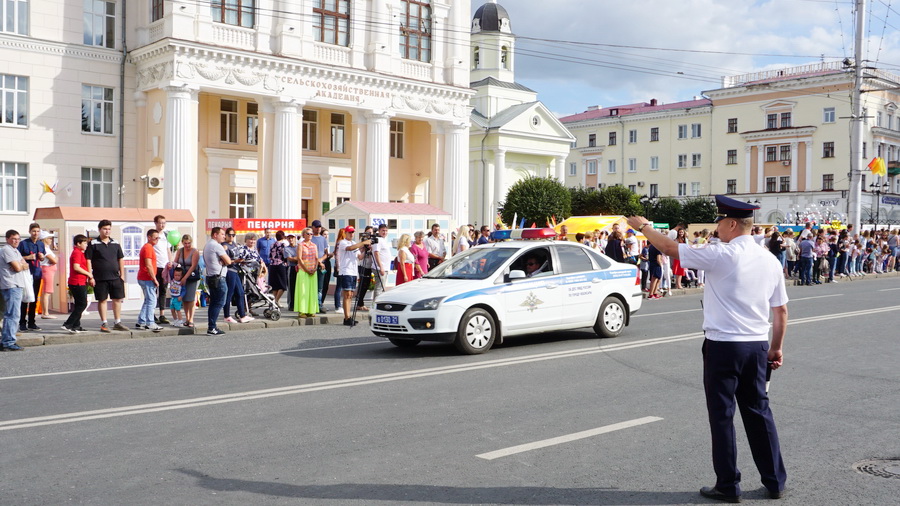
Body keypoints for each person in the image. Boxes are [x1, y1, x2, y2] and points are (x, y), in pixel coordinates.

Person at [627, 195, 788, 503]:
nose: (717, 229)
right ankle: (775, 481)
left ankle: (728, 485)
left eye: (719, 223)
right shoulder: (769, 259)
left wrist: (644, 226)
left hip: (724, 347)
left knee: (723, 416)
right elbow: (780, 312)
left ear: (730, 223)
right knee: (759, 413)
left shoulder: (721, 254)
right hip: (757, 346)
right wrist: (776, 349)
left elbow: (671, 248)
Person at [86, 220, 128, 333]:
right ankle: (104, 323)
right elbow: (88, 260)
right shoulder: (93, 243)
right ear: (99, 229)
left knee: (117, 299)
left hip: (115, 277)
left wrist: (122, 275)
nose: (107, 231)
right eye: (105, 229)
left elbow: (120, 259)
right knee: (102, 300)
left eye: (109, 229)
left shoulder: (115, 243)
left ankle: (117, 322)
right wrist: (91, 276)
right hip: (100, 278)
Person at [335, 226, 371, 326]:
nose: (351, 234)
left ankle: (349, 316)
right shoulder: (343, 242)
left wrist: (366, 250)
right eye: (349, 232)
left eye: (352, 232)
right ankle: (346, 317)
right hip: (346, 271)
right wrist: (363, 243)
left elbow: (359, 256)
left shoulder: (354, 243)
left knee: (351, 295)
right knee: (347, 294)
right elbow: (350, 249)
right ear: (345, 233)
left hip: (354, 271)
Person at [1, 230, 28, 351]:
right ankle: (8, 342)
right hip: (11, 285)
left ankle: (6, 340)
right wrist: (20, 265)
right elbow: (18, 267)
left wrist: (21, 265)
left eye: (18, 239)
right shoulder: (7, 250)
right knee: (12, 314)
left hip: (16, 285)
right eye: (13, 239)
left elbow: (25, 264)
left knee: (11, 314)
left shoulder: (15, 250)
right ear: (7, 239)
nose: (16, 241)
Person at [203, 227, 232, 336]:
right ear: (215, 235)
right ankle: (212, 327)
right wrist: (224, 258)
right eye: (222, 234)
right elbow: (228, 261)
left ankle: (212, 326)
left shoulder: (208, 245)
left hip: (211, 276)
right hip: (218, 278)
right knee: (219, 302)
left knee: (214, 303)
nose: (224, 236)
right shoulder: (216, 246)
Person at [17, 222, 45, 332]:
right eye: (34, 231)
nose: (36, 233)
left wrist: (42, 257)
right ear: (29, 232)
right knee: (25, 299)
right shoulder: (23, 243)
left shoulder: (41, 244)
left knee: (34, 299)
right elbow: (17, 257)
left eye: (38, 231)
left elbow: (42, 258)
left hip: (37, 273)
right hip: (26, 274)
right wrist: (28, 257)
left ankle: (32, 322)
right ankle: (22, 322)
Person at [62, 234, 91, 334]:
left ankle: (76, 326)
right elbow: (76, 267)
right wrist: (89, 274)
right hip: (77, 282)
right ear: (78, 243)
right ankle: (68, 324)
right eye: (85, 243)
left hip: (80, 281)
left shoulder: (79, 252)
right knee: (82, 304)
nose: (86, 245)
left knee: (79, 304)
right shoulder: (77, 253)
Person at [222, 227, 251, 324]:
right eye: (229, 235)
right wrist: (236, 261)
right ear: (225, 235)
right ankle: (226, 315)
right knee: (229, 294)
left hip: (236, 269)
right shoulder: (225, 246)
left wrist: (241, 261)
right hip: (229, 270)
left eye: (233, 235)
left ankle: (242, 315)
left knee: (240, 293)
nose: (231, 237)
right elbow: (225, 261)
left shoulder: (234, 244)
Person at [136, 229, 163, 332]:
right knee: (152, 300)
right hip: (147, 278)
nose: (157, 239)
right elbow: (148, 265)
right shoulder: (148, 248)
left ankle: (141, 321)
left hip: (144, 277)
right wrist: (154, 279)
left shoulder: (149, 247)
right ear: (149, 237)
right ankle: (150, 322)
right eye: (155, 237)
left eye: (158, 237)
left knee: (148, 300)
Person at [174, 234, 201, 328]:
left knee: (191, 298)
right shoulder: (180, 251)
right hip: (182, 276)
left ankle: (191, 319)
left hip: (192, 276)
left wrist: (185, 277)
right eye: (185, 243)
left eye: (189, 243)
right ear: (182, 243)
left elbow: (193, 266)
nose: (187, 245)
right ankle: (187, 318)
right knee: (185, 298)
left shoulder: (195, 251)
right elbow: (175, 262)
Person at [294, 228, 322, 318]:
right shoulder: (300, 245)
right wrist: (306, 269)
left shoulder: (314, 245)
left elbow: (317, 258)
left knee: (312, 291)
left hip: (312, 271)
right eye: (308, 233)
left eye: (311, 234)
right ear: (304, 235)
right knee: (303, 291)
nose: (310, 235)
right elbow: (299, 258)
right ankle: (302, 311)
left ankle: (311, 310)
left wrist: (315, 268)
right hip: (303, 270)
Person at [152, 215, 173, 324]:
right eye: (160, 223)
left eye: (164, 223)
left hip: (165, 267)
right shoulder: (153, 235)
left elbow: (168, 250)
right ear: (155, 223)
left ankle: (162, 314)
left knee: (163, 291)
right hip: (156, 267)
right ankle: (152, 313)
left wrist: (170, 261)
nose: (162, 225)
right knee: (153, 291)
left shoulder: (166, 235)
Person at [310, 221, 330, 313]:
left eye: (319, 227)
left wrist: (321, 260)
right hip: (311, 265)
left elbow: (326, 253)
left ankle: (319, 304)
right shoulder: (310, 238)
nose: (318, 228)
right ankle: (312, 304)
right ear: (313, 227)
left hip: (321, 265)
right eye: (316, 227)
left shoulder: (323, 239)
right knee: (312, 286)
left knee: (320, 287)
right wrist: (318, 261)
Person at [38, 230, 58, 319]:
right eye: (49, 238)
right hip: (47, 269)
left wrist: (55, 258)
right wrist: (55, 258)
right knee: (47, 291)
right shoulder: (45, 249)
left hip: (49, 269)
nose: (51, 240)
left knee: (46, 291)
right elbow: (55, 260)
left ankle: (45, 312)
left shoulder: (47, 248)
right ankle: (45, 312)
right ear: (44, 239)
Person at [267, 230, 289, 307]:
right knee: (283, 285)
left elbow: (269, 256)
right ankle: (276, 301)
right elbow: (285, 256)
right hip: (280, 265)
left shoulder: (272, 245)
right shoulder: (283, 245)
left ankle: (274, 301)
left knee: (275, 285)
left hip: (272, 265)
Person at [372, 224, 393, 301]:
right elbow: (376, 253)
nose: (385, 232)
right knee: (379, 288)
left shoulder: (383, 240)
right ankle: (375, 305)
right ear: (379, 231)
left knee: (382, 287)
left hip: (385, 267)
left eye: (386, 230)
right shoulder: (378, 240)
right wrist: (381, 267)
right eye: (383, 230)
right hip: (380, 268)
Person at [284, 234, 299, 311]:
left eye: (292, 238)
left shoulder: (299, 247)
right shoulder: (286, 248)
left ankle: (298, 304)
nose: (291, 239)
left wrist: (298, 258)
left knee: (299, 287)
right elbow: (290, 258)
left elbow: (302, 256)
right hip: (292, 268)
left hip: (300, 267)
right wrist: (298, 258)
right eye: (289, 238)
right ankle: (291, 304)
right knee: (291, 287)